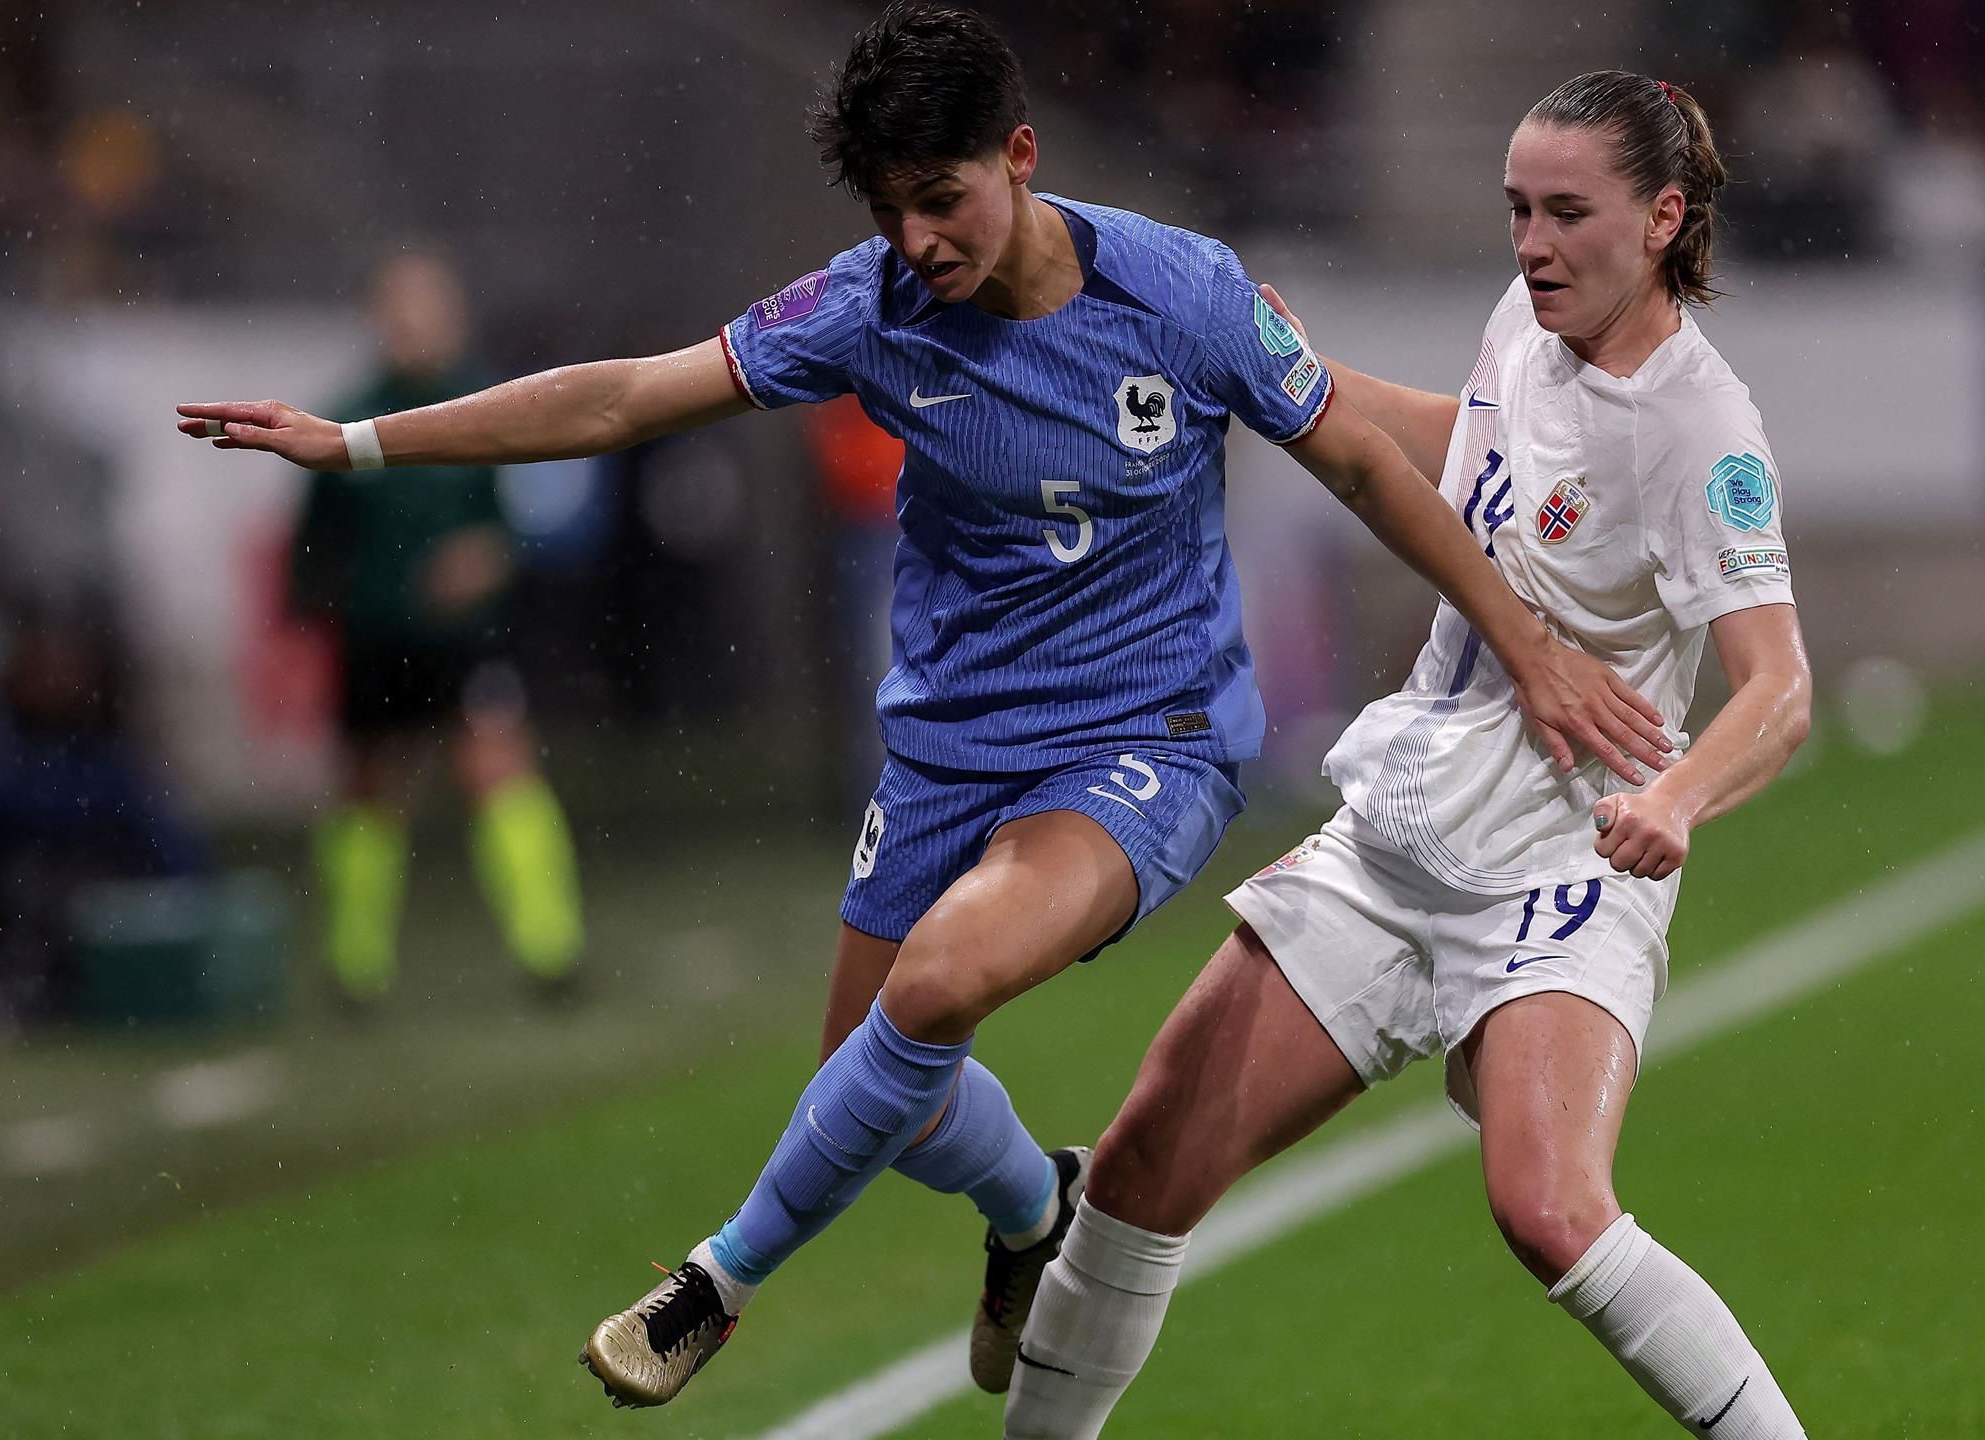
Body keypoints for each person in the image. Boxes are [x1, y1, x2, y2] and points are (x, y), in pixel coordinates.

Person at [177, 7, 1671, 1411]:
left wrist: (1526, 637)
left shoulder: (1186, 292)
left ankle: (716, 1280)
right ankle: (1039, 1208)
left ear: (1020, 155)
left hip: (1147, 743)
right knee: (875, 1079)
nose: (918, 239)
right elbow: (627, 396)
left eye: (941, 198)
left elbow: (1359, 459)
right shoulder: (869, 305)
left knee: (943, 981)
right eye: (889, 207)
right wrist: (363, 443)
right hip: (949, 745)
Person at [1007, 73, 1815, 1439]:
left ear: (1666, 218)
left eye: (1569, 213)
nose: (1532, 244)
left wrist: (1676, 797)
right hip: (1398, 840)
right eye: (1518, 211)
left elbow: (1781, 688)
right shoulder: (1530, 325)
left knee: (1549, 1210)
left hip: (1564, 863)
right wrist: (1299, 390)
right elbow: (1476, 451)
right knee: (1144, 1160)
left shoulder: (1701, 429)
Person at [284, 250, 586, 1005]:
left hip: (466, 637)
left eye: (427, 306)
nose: (414, 324)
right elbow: (312, 548)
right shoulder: (346, 418)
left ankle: (552, 951)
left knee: (498, 773)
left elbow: (527, 523)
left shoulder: (492, 405)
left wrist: (490, 559)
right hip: (377, 637)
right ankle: (355, 968)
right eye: (399, 308)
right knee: (370, 791)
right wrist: (336, 601)